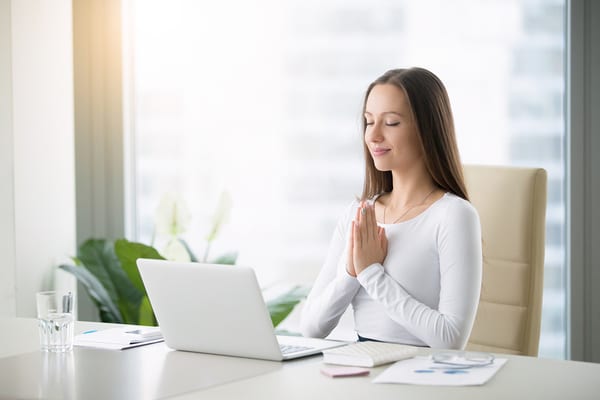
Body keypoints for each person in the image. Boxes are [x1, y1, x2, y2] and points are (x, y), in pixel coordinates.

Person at [299, 67, 482, 349]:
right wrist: (351, 272)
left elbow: (451, 339)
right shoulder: (358, 214)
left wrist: (371, 273)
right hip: (361, 373)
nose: (373, 136)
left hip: (420, 379)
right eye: (369, 122)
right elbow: (312, 328)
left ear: (427, 129)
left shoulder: (453, 215)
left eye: (392, 123)